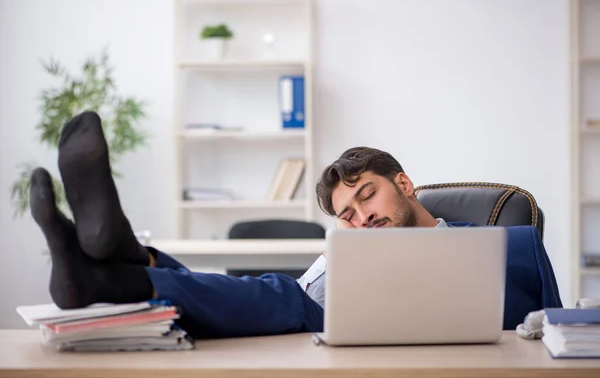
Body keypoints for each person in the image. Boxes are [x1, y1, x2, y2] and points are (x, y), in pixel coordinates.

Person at [31, 111, 561, 339]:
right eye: (346, 215)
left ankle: (122, 267)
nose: (361, 217)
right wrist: (335, 260)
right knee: (278, 296)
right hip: (335, 321)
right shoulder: (352, 255)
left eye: (366, 195)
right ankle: (124, 264)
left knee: (278, 299)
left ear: (404, 184)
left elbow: (560, 334)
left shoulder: (510, 245)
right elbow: (277, 295)